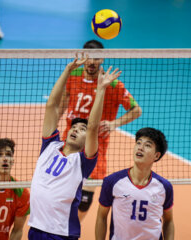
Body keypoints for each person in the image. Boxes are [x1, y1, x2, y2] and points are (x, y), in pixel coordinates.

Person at [28, 53, 121, 239]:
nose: (76, 129)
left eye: (81, 129)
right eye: (74, 126)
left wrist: (101, 89)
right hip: (35, 229)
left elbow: (93, 127)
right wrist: (67, 71)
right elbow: (51, 106)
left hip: (60, 233)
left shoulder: (82, 162)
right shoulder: (50, 146)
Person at [59, 39, 142, 221]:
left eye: (97, 58)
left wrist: (113, 124)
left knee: (85, 197)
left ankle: (73, 229)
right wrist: (56, 120)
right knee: (63, 191)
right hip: (70, 141)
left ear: (102, 60)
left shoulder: (112, 85)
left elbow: (136, 110)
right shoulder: (73, 74)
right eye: (88, 58)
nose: (92, 62)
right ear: (83, 57)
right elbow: (65, 96)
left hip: (96, 146)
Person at [95, 127, 175, 240]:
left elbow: (169, 221)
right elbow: (101, 217)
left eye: (147, 145)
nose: (140, 147)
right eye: (138, 143)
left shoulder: (164, 187)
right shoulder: (112, 181)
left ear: (156, 156)